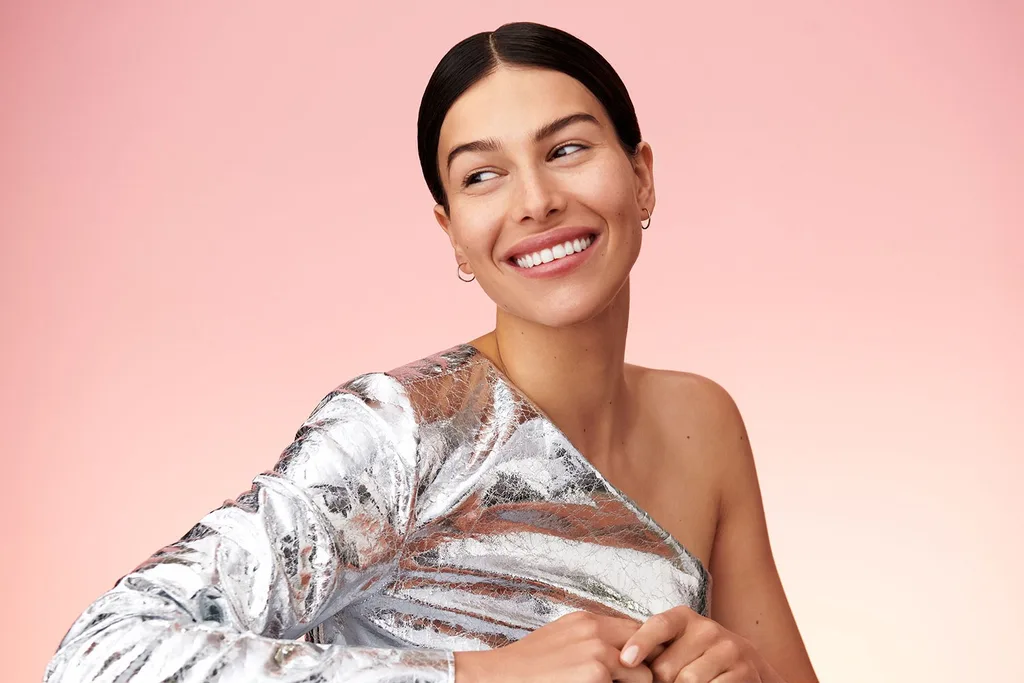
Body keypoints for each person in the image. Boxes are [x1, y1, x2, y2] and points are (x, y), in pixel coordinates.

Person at [45, 22, 819, 683]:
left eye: (569, 148)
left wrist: (739, 670)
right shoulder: (400, 433)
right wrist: (474, 673)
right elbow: (101, 654)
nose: (536, 200)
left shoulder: (704, 421)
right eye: (483, 175)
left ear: (642, 178)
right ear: (451, 230)